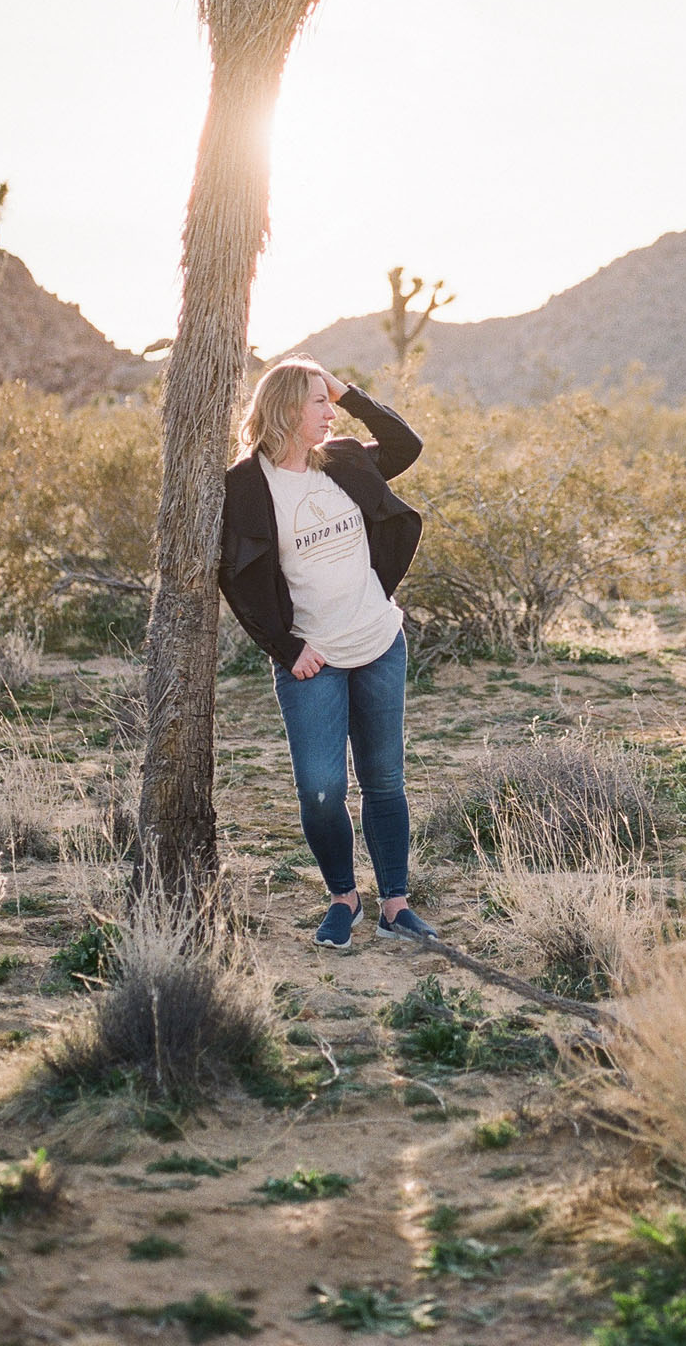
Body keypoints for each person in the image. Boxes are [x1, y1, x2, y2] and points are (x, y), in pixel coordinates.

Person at [219, 357, 436, 952]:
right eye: (317, 401)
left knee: (384, 778)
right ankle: (344, 897)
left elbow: (405, 443)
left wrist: (348, 389)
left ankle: (396, 902)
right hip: (313, 659)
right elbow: (236, 576)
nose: (329, 410)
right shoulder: (245, 485)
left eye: (329, 400)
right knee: (320, 788)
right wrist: (287, 648)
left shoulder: (343, 457)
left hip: (377, 641)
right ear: (286, 408)